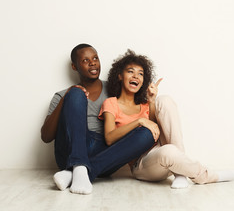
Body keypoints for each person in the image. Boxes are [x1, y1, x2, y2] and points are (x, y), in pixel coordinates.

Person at [99, 50, 234, 189]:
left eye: (140, 73)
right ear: (119, 76)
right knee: (169, 152)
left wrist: (152, 101)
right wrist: (138, 121)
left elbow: (154, 131)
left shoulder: (145, 104)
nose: (136, 76)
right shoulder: (111, 103)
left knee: (164, 100)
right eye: (130, 71)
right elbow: (109, 138)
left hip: (161, 149)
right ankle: (211, 176)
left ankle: (179, 173)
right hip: (142, 164)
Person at [40, 44, 155, 195]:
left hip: (104, 153)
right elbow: (46, 137)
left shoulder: (115, 89)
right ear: (74, 66)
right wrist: (67, 97)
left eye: (95, 58)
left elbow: (138, 113)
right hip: (70, 151)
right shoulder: (63, 95)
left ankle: (75, 173)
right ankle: (78, 164)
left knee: (148, 133)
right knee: (76, 93)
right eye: (85, 60)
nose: (92, 62)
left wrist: (151, 102)